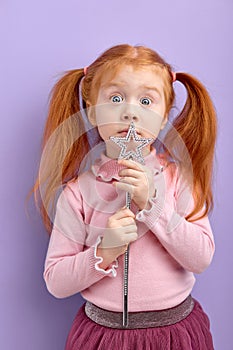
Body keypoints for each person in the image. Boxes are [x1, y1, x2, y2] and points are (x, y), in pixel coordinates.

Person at [34, 44, 217, 349]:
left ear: (161, 120)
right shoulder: (77, 194)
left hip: (175, 333)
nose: (130, 112)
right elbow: (56, 281)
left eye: (146, 101)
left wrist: (153, 206)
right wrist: (104, 251)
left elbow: (200, 258)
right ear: (92, 112)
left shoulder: (178, 180)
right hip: (103, 336)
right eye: (115, 99)